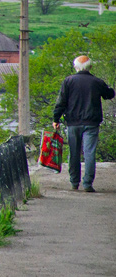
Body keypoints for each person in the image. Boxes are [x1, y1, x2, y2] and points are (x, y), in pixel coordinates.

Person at [52, 55, 115, 192]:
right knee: (89, 153)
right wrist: (110, 89)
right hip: (91, 122)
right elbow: (109, 94)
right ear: (90, 67)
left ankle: (74, 182)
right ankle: (87, 184)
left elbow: (61, 102)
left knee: (74, 153)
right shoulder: (97, 82)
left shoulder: (68, 81)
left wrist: (56, 119)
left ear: (75, 67)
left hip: (73, 122)